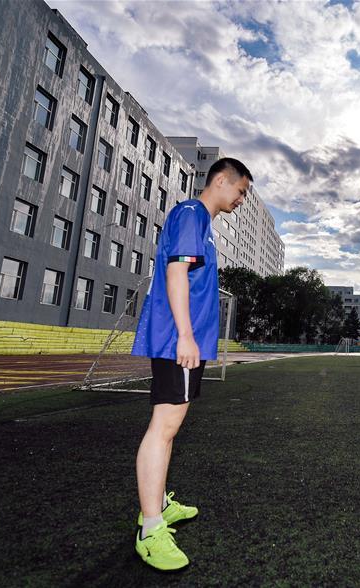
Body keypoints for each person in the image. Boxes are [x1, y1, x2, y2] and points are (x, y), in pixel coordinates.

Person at [130, 158, 252, 569]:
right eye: (240, 192)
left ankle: (160, 505)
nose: (240, 200)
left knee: (170, 428)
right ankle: (150, 529)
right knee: (162, 429)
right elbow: (175, 273)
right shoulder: (190, 214)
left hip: (188, 342)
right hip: (175, 340)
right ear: (221, 181)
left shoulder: (203, 225)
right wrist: (184, 334)